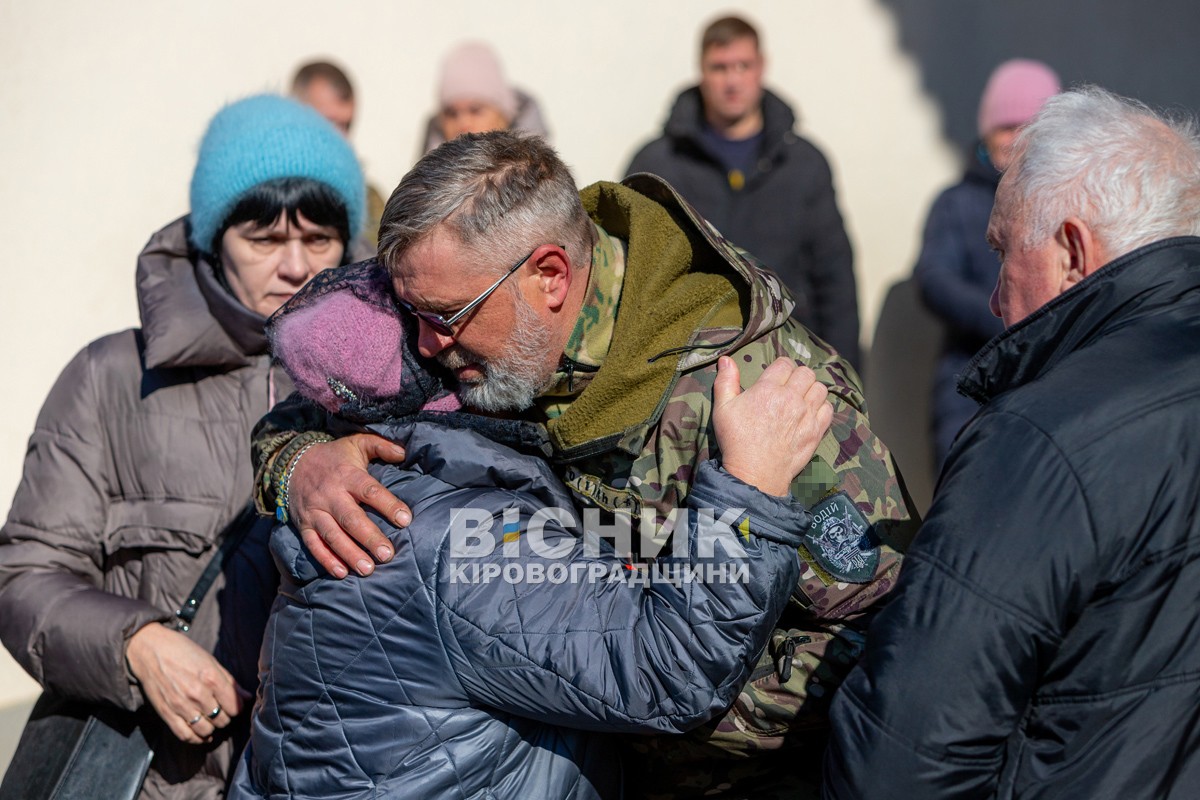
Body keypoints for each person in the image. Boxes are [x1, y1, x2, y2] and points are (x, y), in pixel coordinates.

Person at [251, 131, 916, 797]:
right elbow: (316, 397)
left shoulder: (753, 398)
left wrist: (638, 716)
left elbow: (879, 638)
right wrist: (300, 465)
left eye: (446, 317)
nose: (426, 343)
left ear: (550, 276)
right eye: (413, 314)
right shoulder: (476, 329)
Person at [226, 259, 830, 799]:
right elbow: (666, 671)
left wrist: (294, 457)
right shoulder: (461, 535)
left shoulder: (360, 488)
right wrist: (747, 490)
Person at [824, 86, 1200, 799]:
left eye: (1002, 253)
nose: (996, 299)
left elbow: (902, 761)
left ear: (1071, 252)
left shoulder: (1040, 439)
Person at [0, 94, 366, 799]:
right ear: (211, 239)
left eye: (319, 239)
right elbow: (23, 574)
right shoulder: (110, 381)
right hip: (158, 782)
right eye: (263, 239)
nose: (295, 266)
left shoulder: (387, 394)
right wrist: (133, 644)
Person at [626, 15, 860, 368]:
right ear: (701, 71)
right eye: (719, 67)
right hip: (687, 367)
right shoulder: (658, 164)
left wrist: (844, 373)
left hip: (788, 361)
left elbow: (835, 279)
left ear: (761, 68)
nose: (732, 81)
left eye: (743, 65)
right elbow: (633, 276)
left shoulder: (804, 163)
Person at [915, 59, 1060, 470]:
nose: (1014, 139)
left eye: (1026, 128)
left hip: (1046, 373)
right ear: (985, 129)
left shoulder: (1063, 204)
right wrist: (1007, 319)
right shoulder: (956, 202)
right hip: (970, 376)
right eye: (1004, 126)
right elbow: (935, 279)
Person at [291, 59, 388, 246]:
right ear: (296, 115)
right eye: (330, 123)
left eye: (347, 125)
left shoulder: (368, 199)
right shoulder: (269, 194)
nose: (342, 138)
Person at [420, 40, 551, 155]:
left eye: (475, 110)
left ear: (503, 115)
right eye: (452, 114)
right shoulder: (421, 180)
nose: (463, 124)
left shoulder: (544, 178)